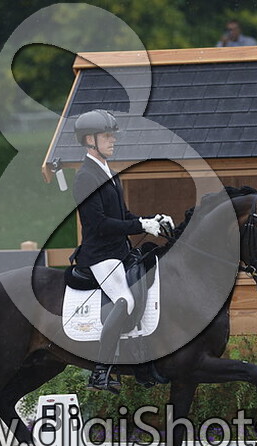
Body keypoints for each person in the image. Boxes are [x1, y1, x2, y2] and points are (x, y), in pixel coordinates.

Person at [71, 109, 173, 394]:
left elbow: (124, 216)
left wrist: (151, 220)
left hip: (120, 251)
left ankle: (142, 361)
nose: (113, 139)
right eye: (107, 136)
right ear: (90, 140)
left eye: (111, 135)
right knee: (124, 300)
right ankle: (100, 372)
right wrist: (139, 225)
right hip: (100, 255)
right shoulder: (85, 177)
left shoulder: (111, 175)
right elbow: (98, 224)